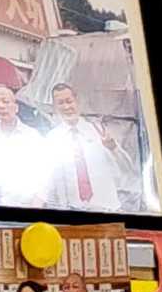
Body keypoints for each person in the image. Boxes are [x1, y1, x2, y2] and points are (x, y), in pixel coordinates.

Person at [45, 83, 136, 213]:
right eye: (60, 103)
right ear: (54, 107)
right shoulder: (52, 139)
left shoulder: (98, 130)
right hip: (73, 210)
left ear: (77, 101)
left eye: (69, 101)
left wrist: (113, 148)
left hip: (106, 207)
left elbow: (127, 168)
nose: (66, 107)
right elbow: (51, 182)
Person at [0, 84, 47, 208]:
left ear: (16, 107)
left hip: (30, 202)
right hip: (1, 202)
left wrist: (39, 199)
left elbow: (45, 171)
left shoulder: (32, 135)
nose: (1, 106)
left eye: (5, 101)